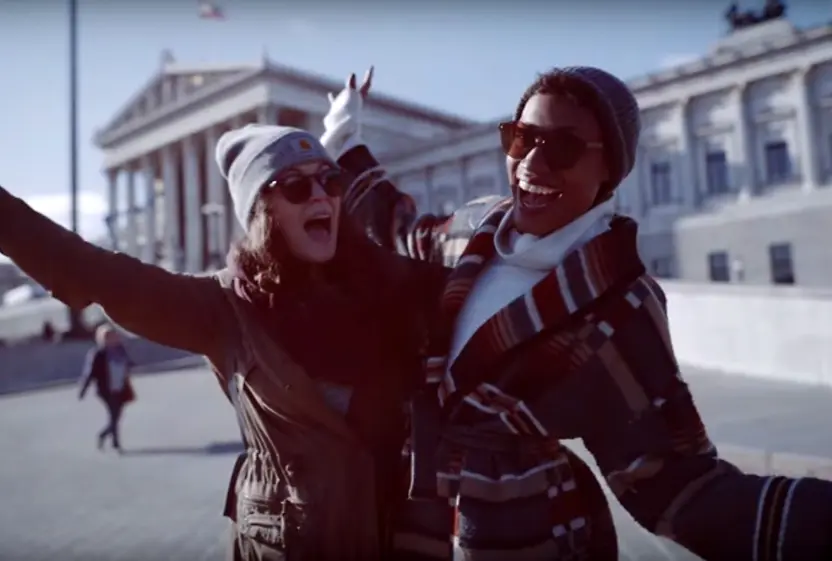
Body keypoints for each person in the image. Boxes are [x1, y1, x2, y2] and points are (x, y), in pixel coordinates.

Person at [319, 67, 832, 560]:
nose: (531, 166)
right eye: (522, 138)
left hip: (522, 531)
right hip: (419, 516)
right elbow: (399, 224)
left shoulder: (619, 301)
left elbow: (679, 486)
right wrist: (344, 134)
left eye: (563, 148)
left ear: (610, 168)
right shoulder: (476, 229)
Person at [0, 125, 445, 561]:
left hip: (392, 537)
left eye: (330, 181)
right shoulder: (223, 308)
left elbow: (472, 256)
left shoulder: (387, 283)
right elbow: (93, 272)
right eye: (294, 186)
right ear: (260, 210)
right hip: (287, 542)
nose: (319, 195)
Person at [78, 323, 136, 453]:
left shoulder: (121, 350)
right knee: (114, 415)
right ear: (102, 339)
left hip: (120, 387)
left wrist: (131, 365)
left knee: (117, 416)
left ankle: (104, 435)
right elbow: (90, 373)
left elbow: (127, 362)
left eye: (114, 336)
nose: (113, 339)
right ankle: (115, 444)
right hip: (106, 390)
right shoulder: (98, 354)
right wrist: (83, 390)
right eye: (109, 337)